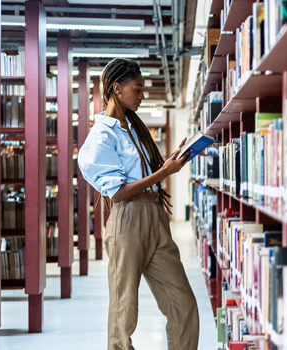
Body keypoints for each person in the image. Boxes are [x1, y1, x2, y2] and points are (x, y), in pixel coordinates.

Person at [77, 58, 199, 350]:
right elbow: (117, 193)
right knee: (124, 313)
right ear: (117, 88)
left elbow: (147, 172)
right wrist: (163, 173)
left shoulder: (135, 128)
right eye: (138, 88)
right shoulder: (100, 137)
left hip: (155, 215)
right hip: (127, 221)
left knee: (183, 304)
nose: (143, 94)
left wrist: (170, 164)